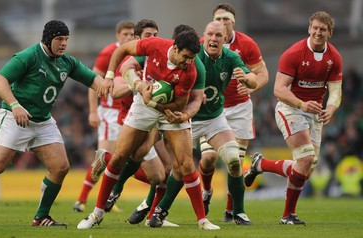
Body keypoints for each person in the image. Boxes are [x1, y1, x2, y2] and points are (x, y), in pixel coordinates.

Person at [0, 20, 105, 227]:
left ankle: (41, 217)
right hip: (15, 117)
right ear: (47, 39)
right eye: (59, 39)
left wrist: (119, 86)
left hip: (43, 121)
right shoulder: (27, 56)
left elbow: (95, 81)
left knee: (60, 167)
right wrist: (15, 105)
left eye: (66, 39)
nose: (64, 43)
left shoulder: (67, 62)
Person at [77, 30, 220, 230]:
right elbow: (123, 51)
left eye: (192, 58)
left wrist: (167, 108)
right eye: (186, 57)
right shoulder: (154, 45)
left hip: (169, 111)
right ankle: (96, 214)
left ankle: (202, 221)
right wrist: (110, 77)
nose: (188, 62)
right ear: (175, 49)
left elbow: (179, 104)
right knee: (119, 156)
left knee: (186, 164)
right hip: (142, 105)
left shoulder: (191, 71)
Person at [147, 20, 257, 228]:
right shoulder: (193, 55)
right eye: (210, 35)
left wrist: (248, 80)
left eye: (218, 36)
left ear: (225, 39)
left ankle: (239, 212)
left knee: (234, 160)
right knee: (180, 170)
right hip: (187, 118)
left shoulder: (231, 57)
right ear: (203, 37)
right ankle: (159, 211)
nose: (213, 39)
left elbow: (252, 79)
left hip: (214, 118)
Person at [244, 11, 343, 225]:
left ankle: (261, 164)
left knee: (306, 169)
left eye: (322, 29)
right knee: (305, 158)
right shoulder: (295, 53)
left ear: (330, 33)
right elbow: (279, 90)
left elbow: (336, 89)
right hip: (291, 108)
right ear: (309, 28)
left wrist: (332, 108)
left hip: (314, 113)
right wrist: (301, 104)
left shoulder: (333, 57)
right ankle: (288, 215)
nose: (318, 32)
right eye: (315, 28)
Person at [105, 24, 206, 227]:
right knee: (140, 151)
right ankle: (117, 188)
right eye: (149, 35)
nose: (188, 61)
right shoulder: (153, 50)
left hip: (173, 112)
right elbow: (122, 73)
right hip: (146, 111)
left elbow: (195, 100)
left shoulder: (195, 68)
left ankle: (155, 210)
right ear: (174, 45)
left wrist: (184, 113)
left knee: (173, 168)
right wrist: (137, 84)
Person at [198, 3, 270, 223]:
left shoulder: (246, 44)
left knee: (235, 161)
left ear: (233, 23)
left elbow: (263, 74)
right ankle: (207, 190)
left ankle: (233, 210)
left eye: (226, 19)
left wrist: (251, 86)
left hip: (238, 107)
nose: (222, 23)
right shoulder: (202, 45)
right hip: (211, 110)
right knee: (209, 158)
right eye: (217, 19)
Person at [73, 19, 135, 213]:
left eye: (132, 34)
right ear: (118, 35)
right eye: (125, 34)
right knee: (104, 156)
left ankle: (108, 196)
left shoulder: (137, 52)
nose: (128, 37)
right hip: (109, 112)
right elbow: (94, 82)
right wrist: (93, 110)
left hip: (130, 112)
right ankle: (81, 199)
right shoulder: (109, 53)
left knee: (121, 158)